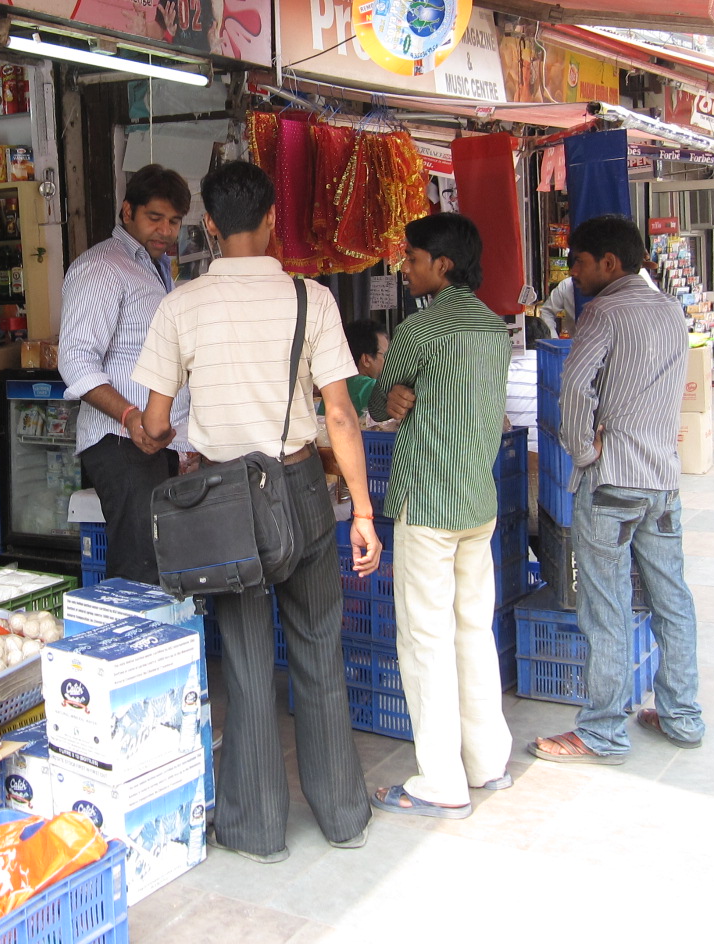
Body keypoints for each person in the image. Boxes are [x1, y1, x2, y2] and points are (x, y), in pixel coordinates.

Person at [134, 161, 382, 862]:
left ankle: (256, 829)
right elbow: (339, 412)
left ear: (208, 225)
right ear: (272, 218)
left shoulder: (180, 306)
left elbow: (155, 421)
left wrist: (150, 433)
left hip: (225, 502)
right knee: (318, 649)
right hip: (301, 488)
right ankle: (343, 817)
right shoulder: (313, 299)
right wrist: (361, 510)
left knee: (244, 666)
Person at [530, 214, 703, 764]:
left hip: (611, 485)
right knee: (671, 598)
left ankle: (602, 729)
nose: (574, 275)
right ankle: (681, 715)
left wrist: (582, 453)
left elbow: (575, 388)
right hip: (662, 482)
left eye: (579, 262)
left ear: (609, 262)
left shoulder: (603, 310)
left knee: (605, 607)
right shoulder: (671, 310)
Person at [364, 213, 513, 818]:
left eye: (414, 258)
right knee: (474, 631)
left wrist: (389, 396)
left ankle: (441, 782)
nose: (405, 268)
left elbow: (377, 396)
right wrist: (400, 396)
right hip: (478, 502)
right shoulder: (494, 326)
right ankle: (487, 762)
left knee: (426, 638)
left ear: (441, 266)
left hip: (428, 503)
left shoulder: (422, 329)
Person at [57, 165, 191, 584]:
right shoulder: (102, 267)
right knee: (140, 565)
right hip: (122, 442)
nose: (166, 231)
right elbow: (75, 360)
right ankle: (132, 646)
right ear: (127, 211)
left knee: (162, 560)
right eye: (155, 218)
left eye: (174, 221)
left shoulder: (157, 268)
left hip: (157, 440)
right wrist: (131, 417)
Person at [341, 319, 389, 416]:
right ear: (366, 360)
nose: (390, 361)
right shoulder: (373, 387)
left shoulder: (333, 386)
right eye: (386, 355)